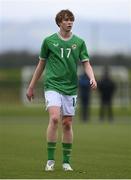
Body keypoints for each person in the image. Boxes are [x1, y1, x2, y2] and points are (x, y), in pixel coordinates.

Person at [26, 9, 97, 171]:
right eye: (66, 20)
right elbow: (41, 64)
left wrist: (92, 77)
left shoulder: (79, 42)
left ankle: (66, 162)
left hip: (71, 87)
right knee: (55, 118)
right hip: (52, 85)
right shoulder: (49, 41)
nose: (69, 22)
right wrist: (31, 86)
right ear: (59, 22)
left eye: (71, 19)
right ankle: (50, 161)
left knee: (67, 123)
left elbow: (86, 63)